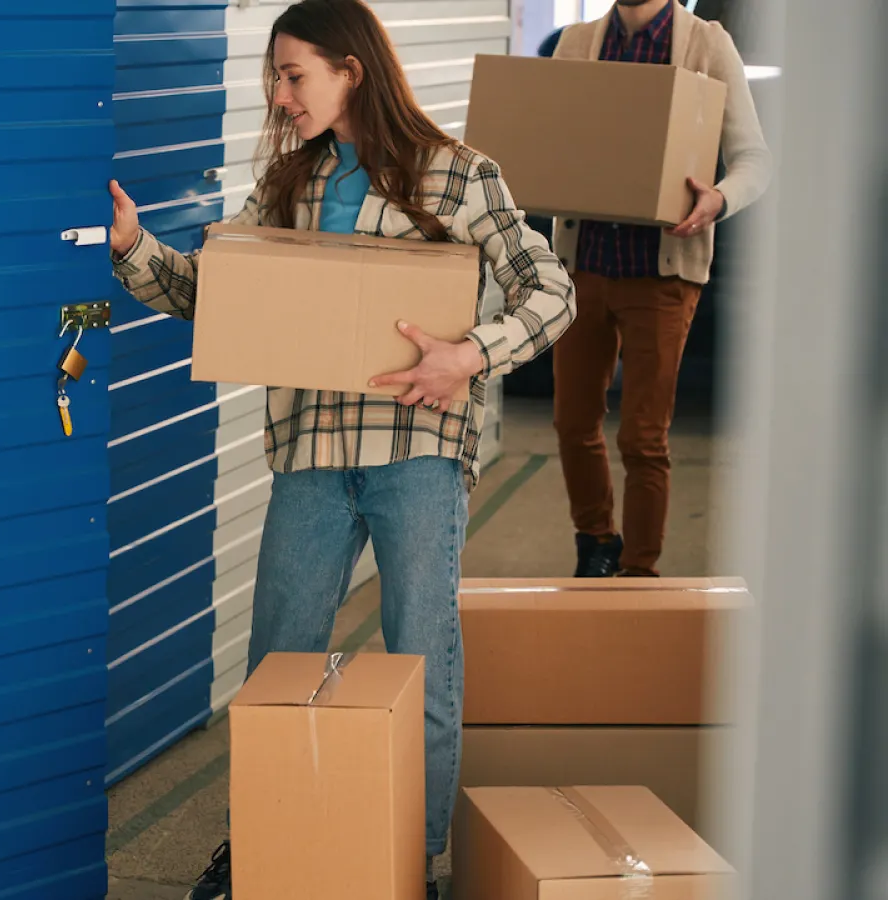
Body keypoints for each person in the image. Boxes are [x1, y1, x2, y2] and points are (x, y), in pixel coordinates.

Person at [106, 1, 575, 896]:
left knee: (422, 661)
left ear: (350, 69)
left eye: (295, 76)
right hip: (312, 456)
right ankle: (259, 846)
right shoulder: (290, 184)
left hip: (418, 454)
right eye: (276, 79)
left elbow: (551, 292)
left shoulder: (460, 176)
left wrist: (469, 354)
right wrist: (135, 249)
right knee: (276, 666)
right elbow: (221, 295)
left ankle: (417, 861)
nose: (281, 97)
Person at [548, 0, 772, 578]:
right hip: (585, 266)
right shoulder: (575, 42)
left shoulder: (707, 44)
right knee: (573, 423)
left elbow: (754, 159)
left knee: (644, 438)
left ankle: (639, 570)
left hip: (661, 273)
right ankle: (595, 542)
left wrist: (718, 199)